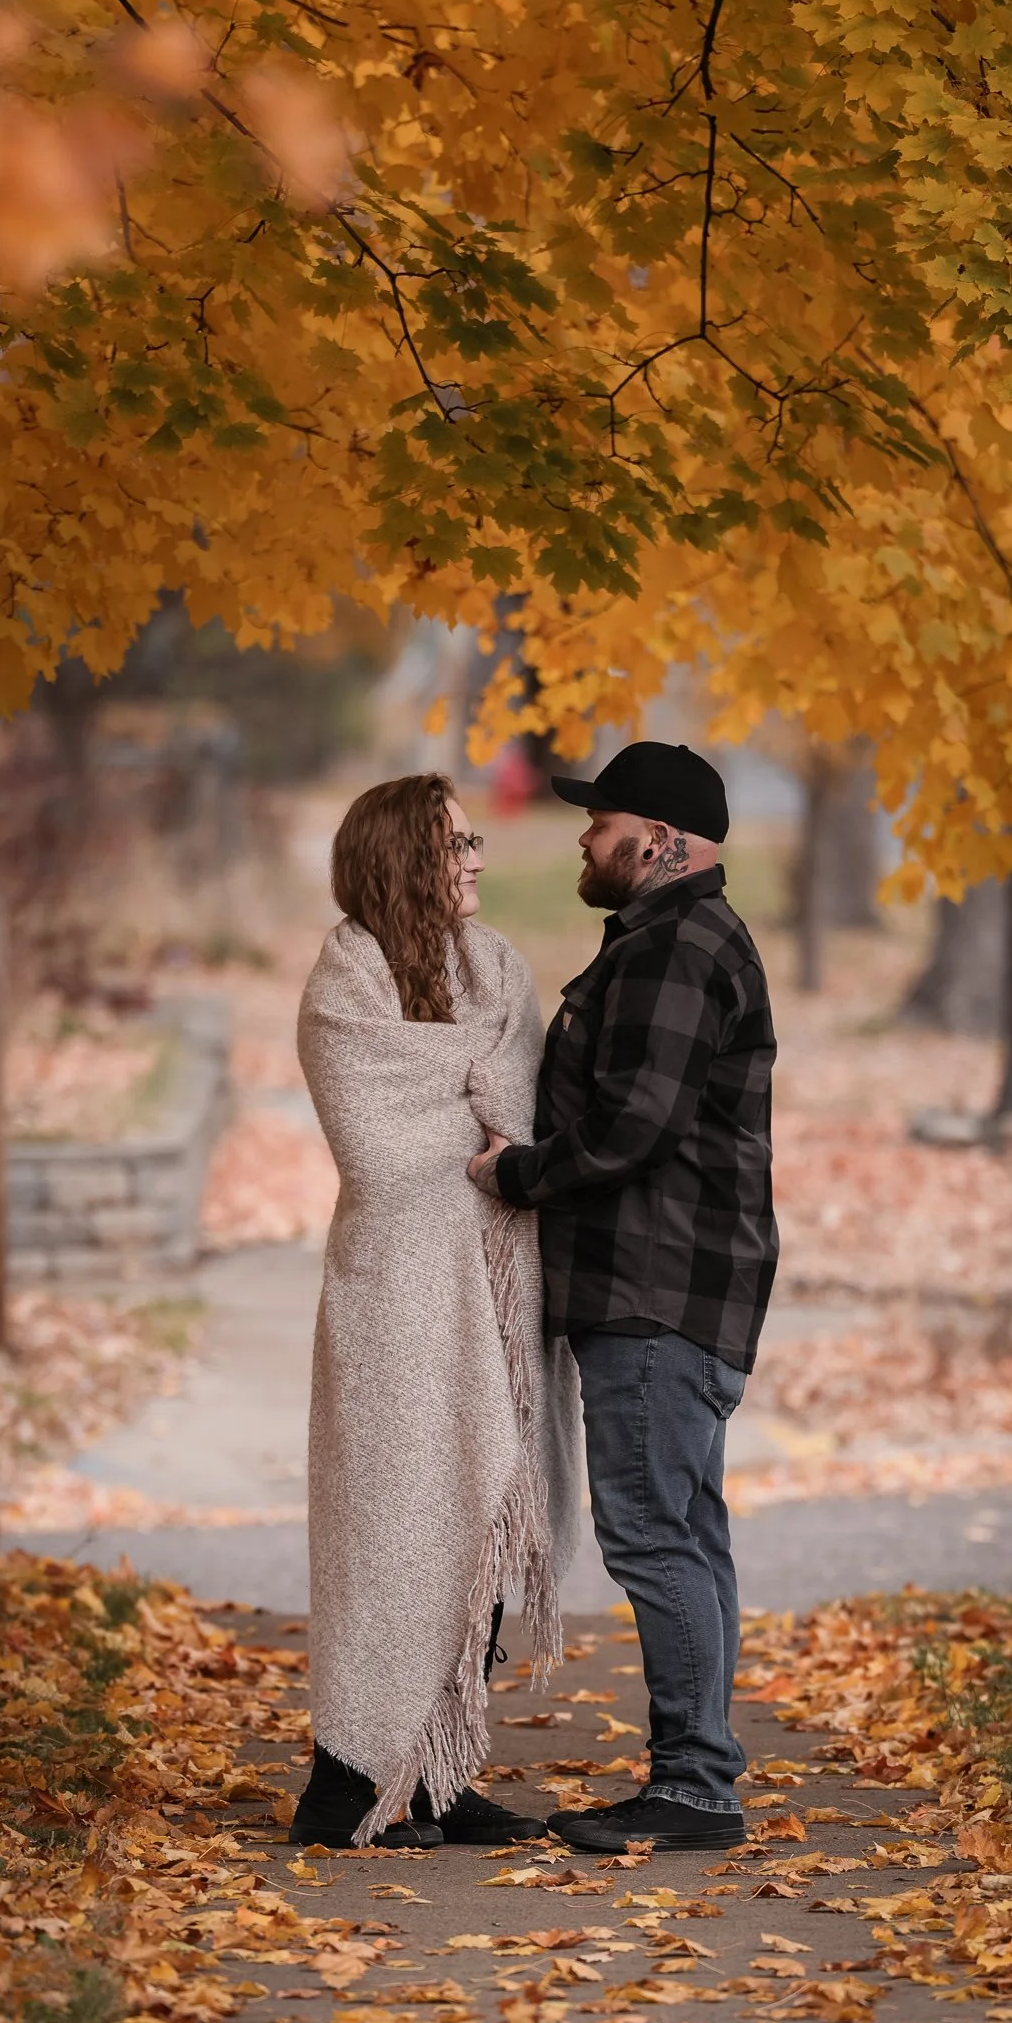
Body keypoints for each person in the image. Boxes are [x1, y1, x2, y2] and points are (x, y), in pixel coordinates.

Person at [470, 741, 777, 1852]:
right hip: (678, 1288)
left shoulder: (676, 947)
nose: (584, 837)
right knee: (687, 1531)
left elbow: (632, 1128)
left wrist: (516, 1173)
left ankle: (696, 1787)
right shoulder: (675, 938)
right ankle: (703, 1774)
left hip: (656, 1290)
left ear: (662, 842)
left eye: (603, 822)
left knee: (653, 1534)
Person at [290, 774, 582, 1850]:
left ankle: (438, 1777)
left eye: (474, 841)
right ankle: (350, 1775)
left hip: (501, 1275)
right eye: (457, 842)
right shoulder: (345, 980)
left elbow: (520, 1111)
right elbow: (380, 1148)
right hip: (396, 1288)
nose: (477, 859)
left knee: (494, 1504)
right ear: (405, 855)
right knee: (392, 1522)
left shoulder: (500, 964)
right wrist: (472, 1099)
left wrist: (468, 1100)